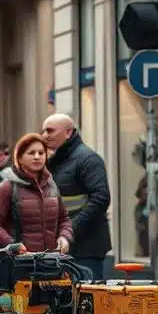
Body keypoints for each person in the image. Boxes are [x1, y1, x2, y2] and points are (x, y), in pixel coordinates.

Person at [41, 113, 112, 279]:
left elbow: (101, 199)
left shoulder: (88, 159)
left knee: (85, 300)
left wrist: (69, 231)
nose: (45, 135)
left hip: (86, 249)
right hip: (61, 249)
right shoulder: (53, 161)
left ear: (68, 132)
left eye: (50, 131)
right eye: (43, 131)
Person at [0, 133, 73, 256]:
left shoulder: (52, 186)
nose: (37, 157)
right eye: (31, 153)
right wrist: (13, 246)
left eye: (41, 153)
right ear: (19, 158)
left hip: (51, 262)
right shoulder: (7, 187)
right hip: (19, 264)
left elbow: (64, 219)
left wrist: (64, 237)